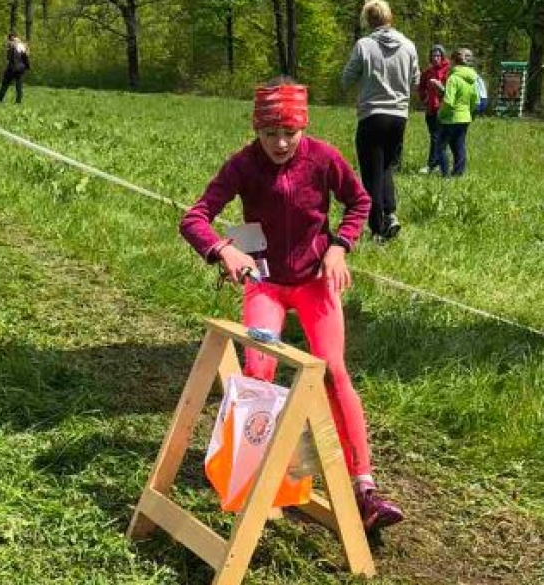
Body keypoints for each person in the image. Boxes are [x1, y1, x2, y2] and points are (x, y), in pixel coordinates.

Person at [179, 78, 404, 532]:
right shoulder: (243, 165)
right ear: (255, 130)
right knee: (259, 373)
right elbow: (194, 218)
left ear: (305, 127)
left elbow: (360, 201)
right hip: (264, 283)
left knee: (333, 372)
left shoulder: (323, 158)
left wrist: (340, 246)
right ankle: (254, 475)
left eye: (290, 133)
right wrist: (224, 250)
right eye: (269, 134)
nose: (280, 143)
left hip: (315, 281)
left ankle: (364, 487)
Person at [340, 0, 418, 241]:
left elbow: (347, 78)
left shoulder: (364, 45)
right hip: (399, 116)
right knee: (384, 167)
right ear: (390, 17)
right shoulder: (408, 45)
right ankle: (391, 214)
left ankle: (377, 227)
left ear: (368, 20)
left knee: (371, 170)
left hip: (373, 114)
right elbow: (415, 81)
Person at [430, 48, 479, 177]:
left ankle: (445, 174)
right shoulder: (472, 79)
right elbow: (476, 100)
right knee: (459, 146)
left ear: (453, 61)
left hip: (450, 118)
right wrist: (470, 113)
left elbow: (448, 101)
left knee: (440, 147)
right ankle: (458, 174)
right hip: (465, 117)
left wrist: (440, 114)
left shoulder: (453, 78)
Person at [416, 44, 449, 174]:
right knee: (434, 137)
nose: (435, 58)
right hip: (431, 109)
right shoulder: (428, 72)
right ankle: (437, 164)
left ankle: (433, 164)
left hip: (443, 109)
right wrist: (424, 98)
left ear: (442, 56)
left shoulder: (448, 70)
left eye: (438, 55)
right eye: (433, 55)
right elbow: (421, 86)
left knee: (439, 138)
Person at [0, 33, 29, 104]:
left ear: (10, 38)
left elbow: (8, 58)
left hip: (11, 68)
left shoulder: (10, 45)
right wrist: (26, 66)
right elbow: (26, 57)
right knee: (19, 85)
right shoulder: (22, 45)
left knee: (5, 84)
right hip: (20, 68)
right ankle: (18, 101)